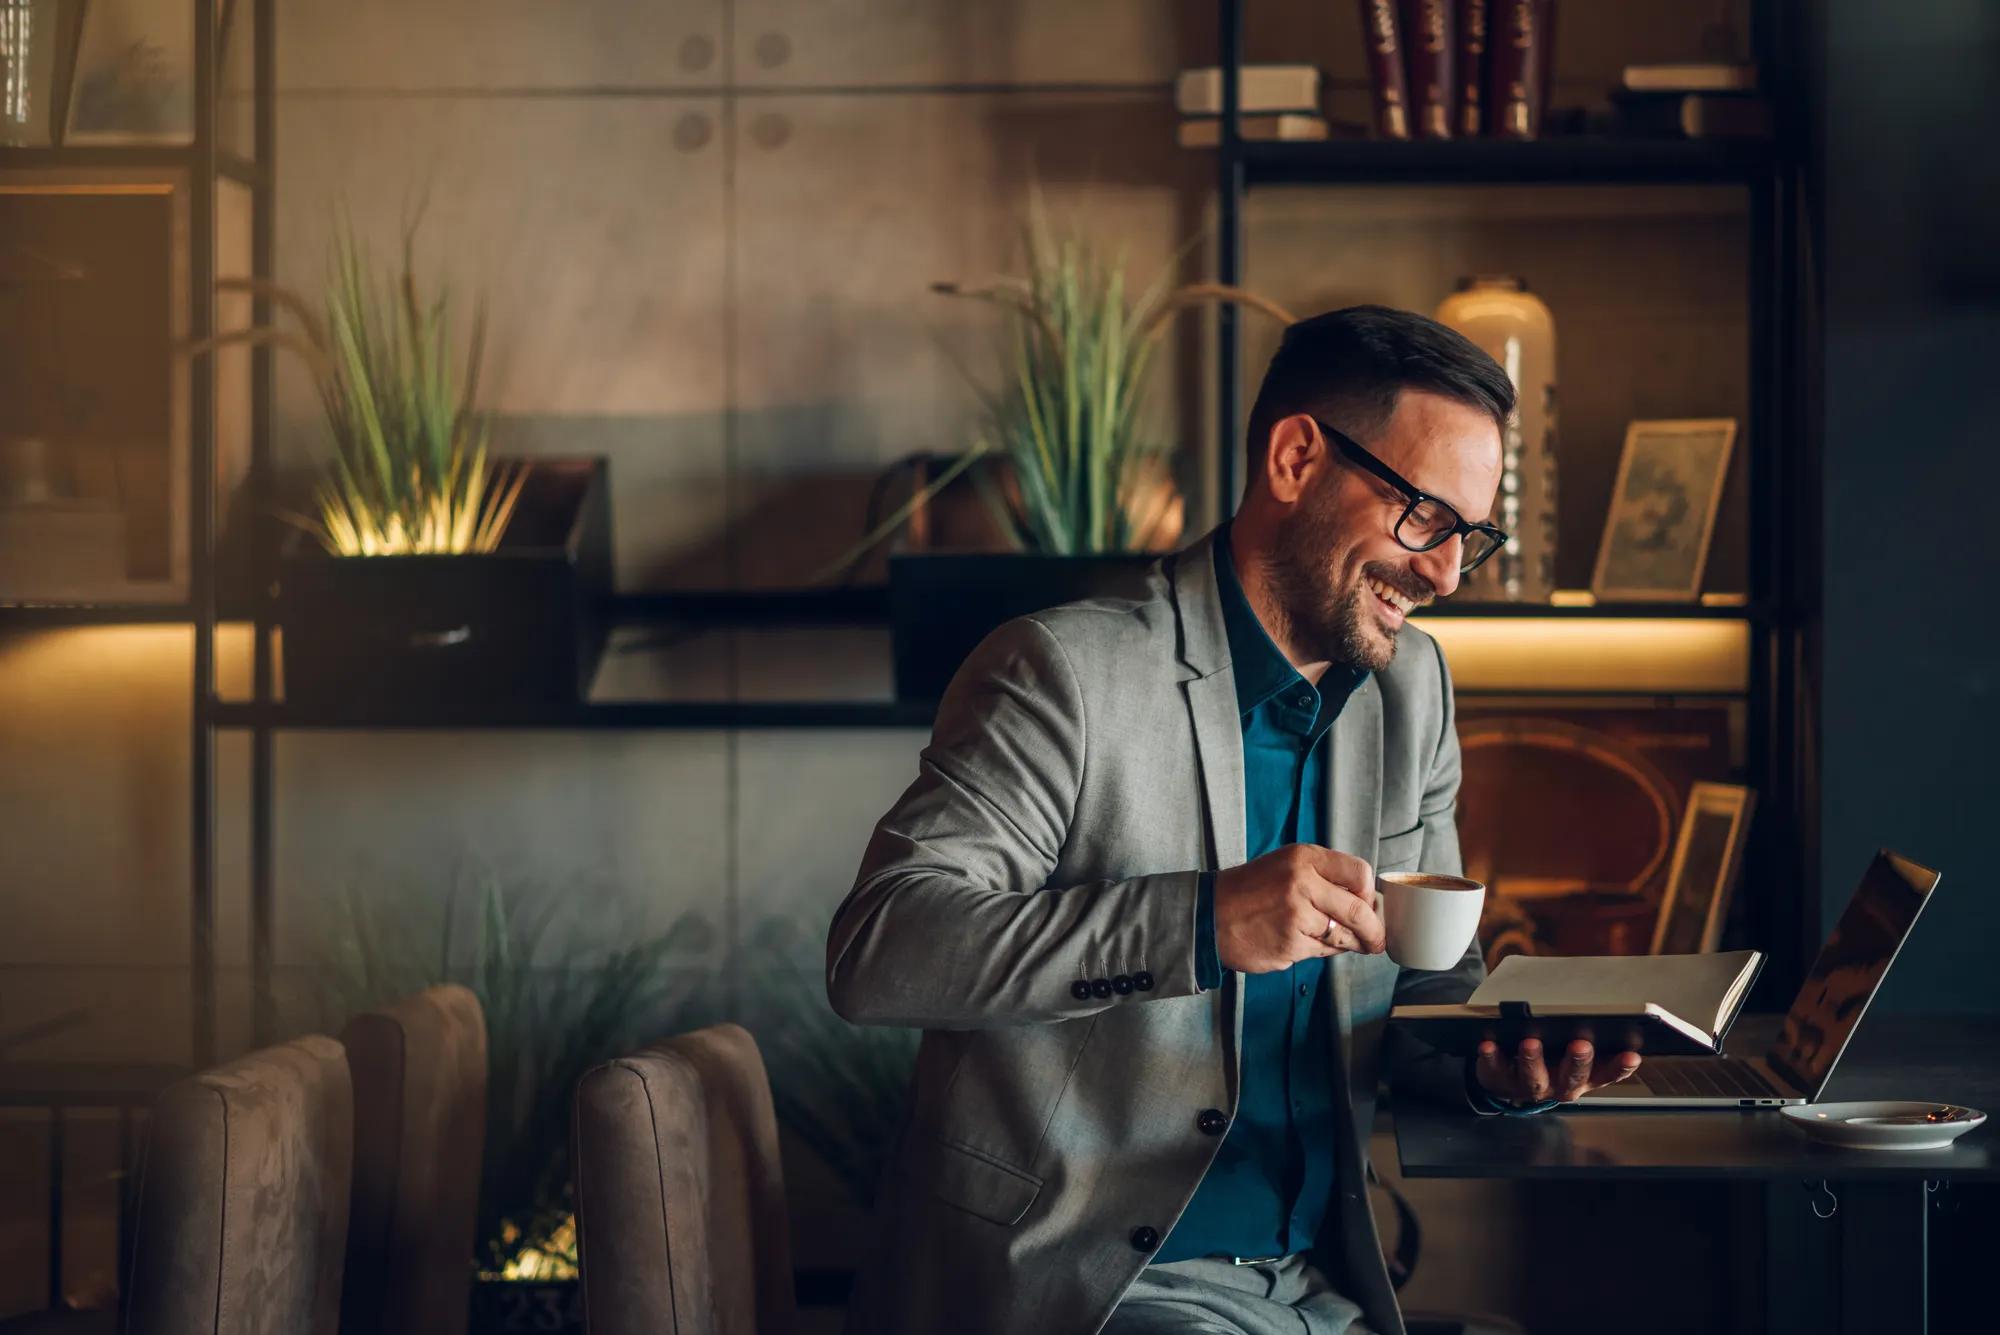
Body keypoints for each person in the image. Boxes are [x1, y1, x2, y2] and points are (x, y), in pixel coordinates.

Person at [825, 306, 1643, 1335]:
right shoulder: (1062, 672)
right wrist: (1198, 924)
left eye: (1469, 540)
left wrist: (1499, 1069)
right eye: (1425, 517)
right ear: (1296, 458)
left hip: (1320, 1285)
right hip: (1088, 1290)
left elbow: (1429, 990)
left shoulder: (1412, 692)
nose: (1442, 574)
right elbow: (882, 948)